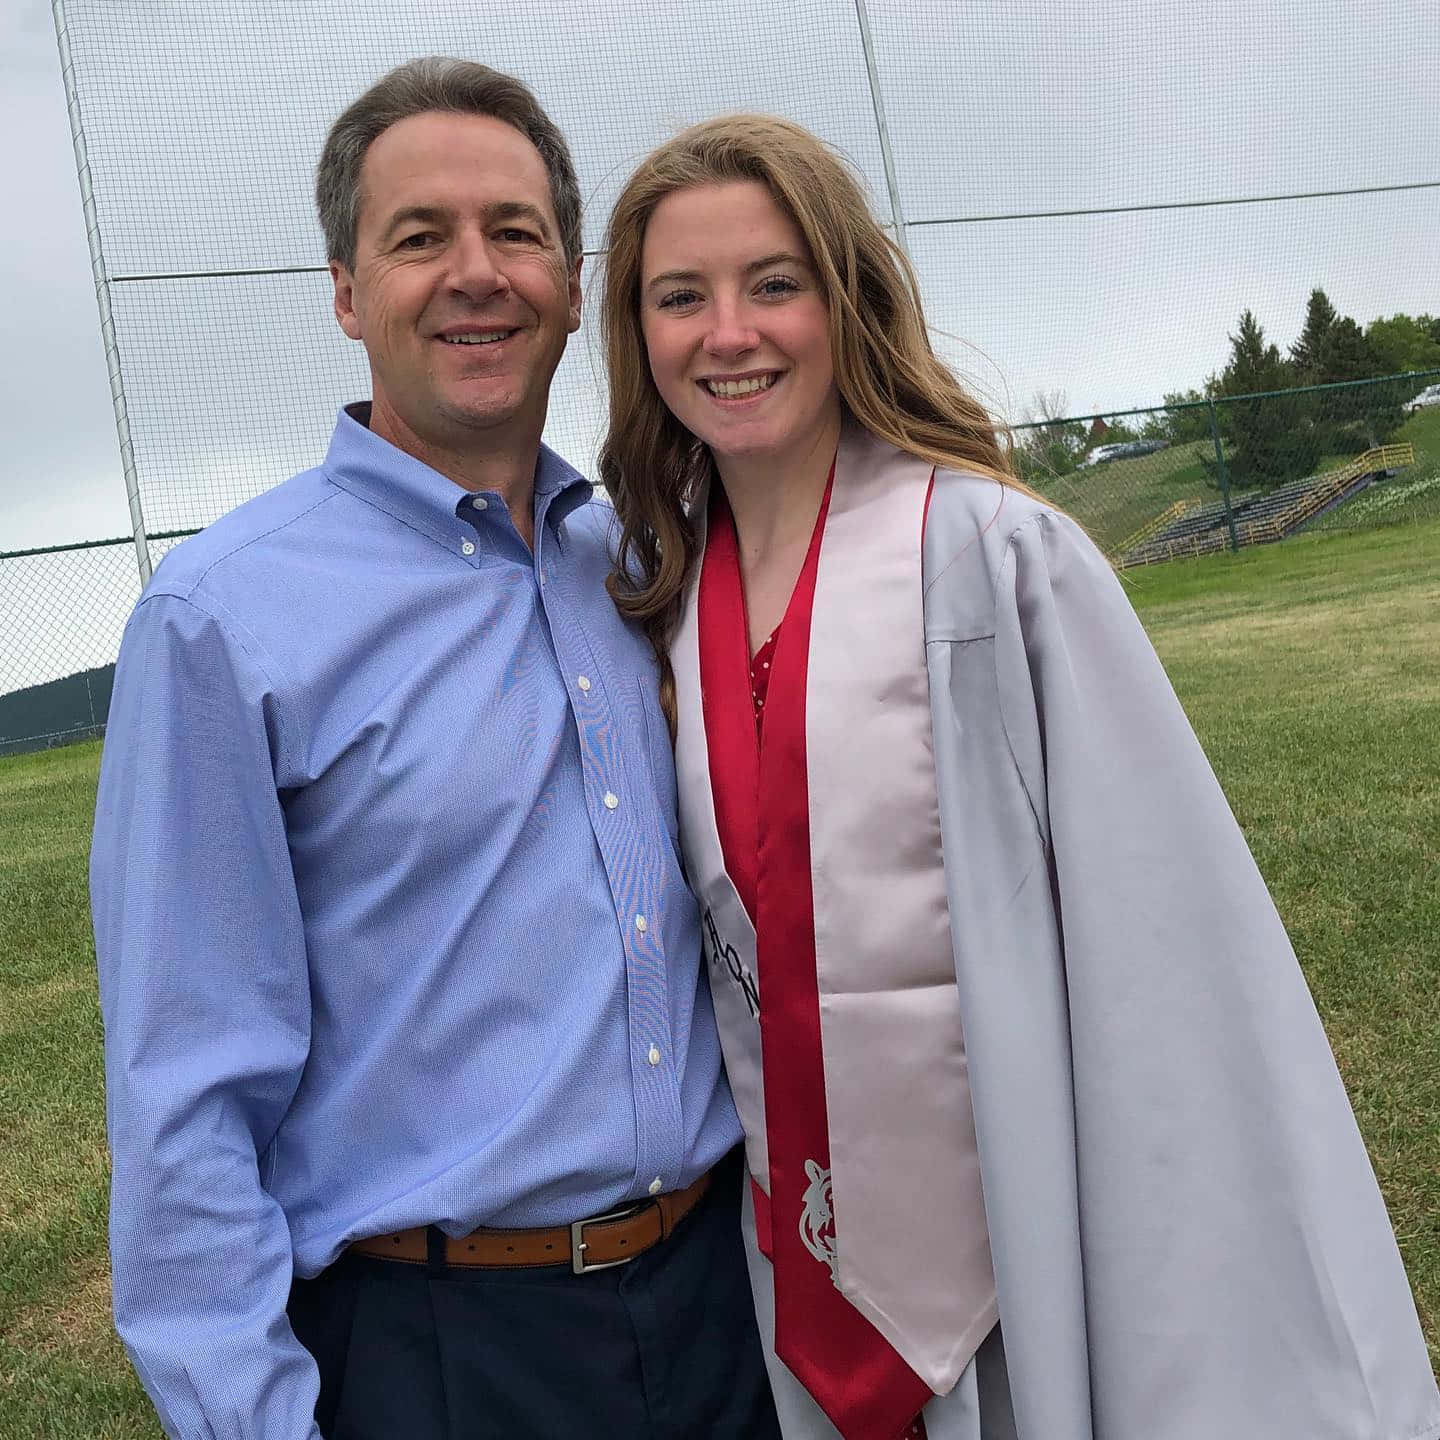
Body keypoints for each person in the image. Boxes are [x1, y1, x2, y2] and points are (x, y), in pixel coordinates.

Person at [597, 113, 1440, 1440]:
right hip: (795, 1250)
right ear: (637, 335)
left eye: (775, 283)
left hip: (1025, 1211)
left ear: (846, 297)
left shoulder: (991, 562)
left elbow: (1166, 951)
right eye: (680, 297)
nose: (730, 332)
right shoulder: (656, 602)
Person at [90, 61, 781, 1440]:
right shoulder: (220, 624)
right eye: (421, 238)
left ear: (575, 281)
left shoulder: (647, 564)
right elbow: (185, 1096)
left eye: (515, 233)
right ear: (347, 291)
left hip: (725, 1306)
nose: (478, 273)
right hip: (446, 1351)